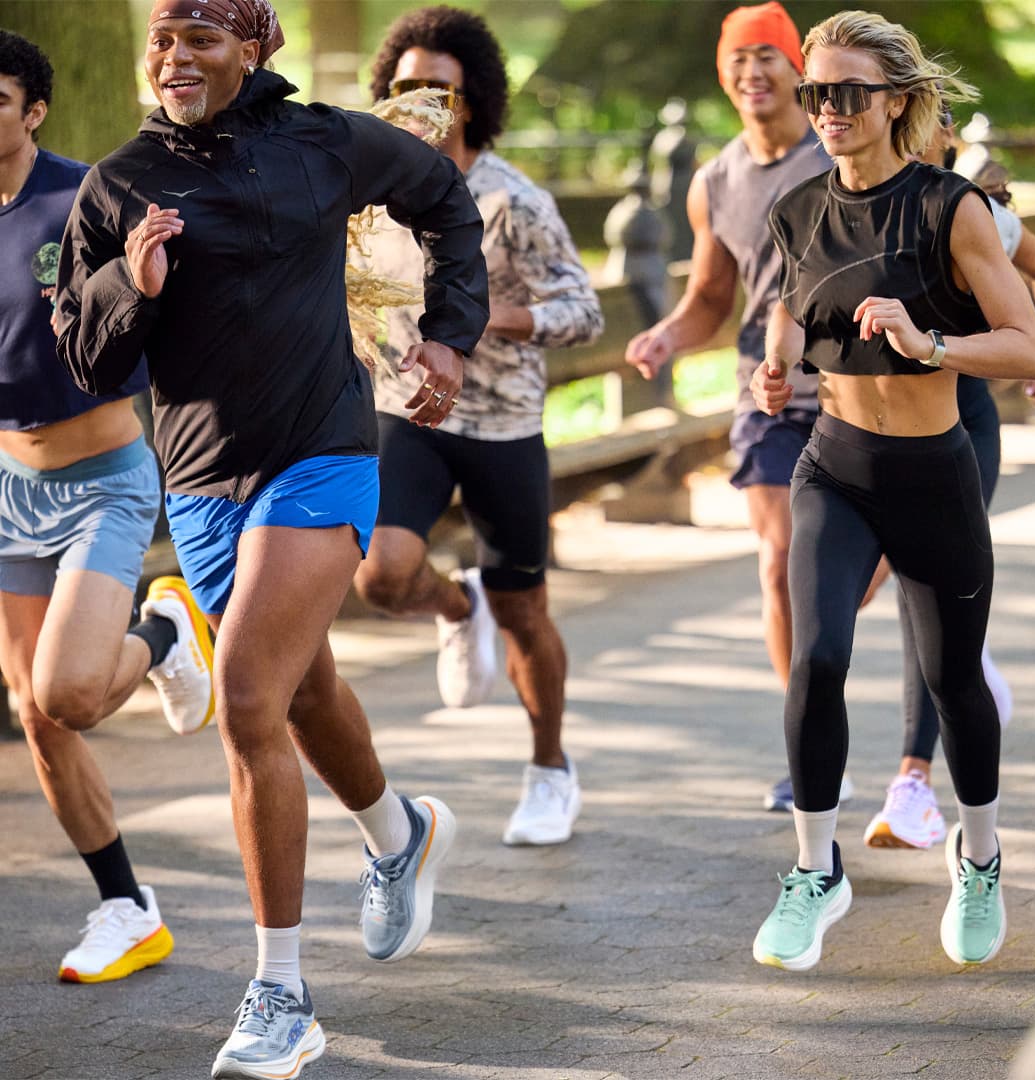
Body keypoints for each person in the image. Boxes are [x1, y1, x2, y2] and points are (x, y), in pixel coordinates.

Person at [54, 2, 488, 1077]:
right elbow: (86, 359)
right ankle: (400, 834)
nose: (175, 56)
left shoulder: (329, 142)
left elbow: (444, 201)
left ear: (253, 48)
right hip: (198, 482)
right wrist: (129, 287)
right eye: (163, 38)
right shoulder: (117, 186)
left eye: (200, 37)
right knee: (299, 692)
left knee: (246, 693)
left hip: (321, 451)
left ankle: (280, 991)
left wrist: (447, 337)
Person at [748, 9, 1035, 972]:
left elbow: (1031, 343)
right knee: (816, 660)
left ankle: (981, 854)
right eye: (817, 93)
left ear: (899, 102)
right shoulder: (796, 208)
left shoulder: (950, 207)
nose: (828, 110)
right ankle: (812, 868)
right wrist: (776, 362)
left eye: (849, 93)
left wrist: (933, 344)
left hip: (933, 475)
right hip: (834, 466)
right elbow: (793, 306)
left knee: (954, 677)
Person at [354, 5, 603, 847]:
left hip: (501, 422)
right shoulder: (370, 199)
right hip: (406, 413)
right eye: (405, 87)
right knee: (382, 576)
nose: (421, 102)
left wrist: (491, 318)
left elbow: (583, 308)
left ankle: (548, 770)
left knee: (526, 607)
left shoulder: (512, 199)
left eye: (440, 90)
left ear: (472, 101)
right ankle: (454, 608)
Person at [0, 30, 213, 986]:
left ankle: (166, 635)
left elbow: (158, 309)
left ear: (32, 110)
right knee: (36, 716)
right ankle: (126, 907)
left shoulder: (82, 195)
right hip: (7, 488)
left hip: (103, 479)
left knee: (71, 696)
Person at [624, 1, 852, 814]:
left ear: (797, 69)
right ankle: (812, 746)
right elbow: (711, 297)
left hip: (854, 388)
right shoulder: (714, 180)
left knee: (842, 576)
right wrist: (666, 337)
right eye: (738, 60)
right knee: (781, 563)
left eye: (768, 57)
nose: (753, 72)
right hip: (766, 391)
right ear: (724, 76)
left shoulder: (837, 155)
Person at [864, 123, 1035, 851]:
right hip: (869, 434)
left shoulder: (983, 217)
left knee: (914, 587)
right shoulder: (855, 205)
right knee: (906, 598)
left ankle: (912, 784)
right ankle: (971, 657)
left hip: (962, 430)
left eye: (924, 122)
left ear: (942, 134)